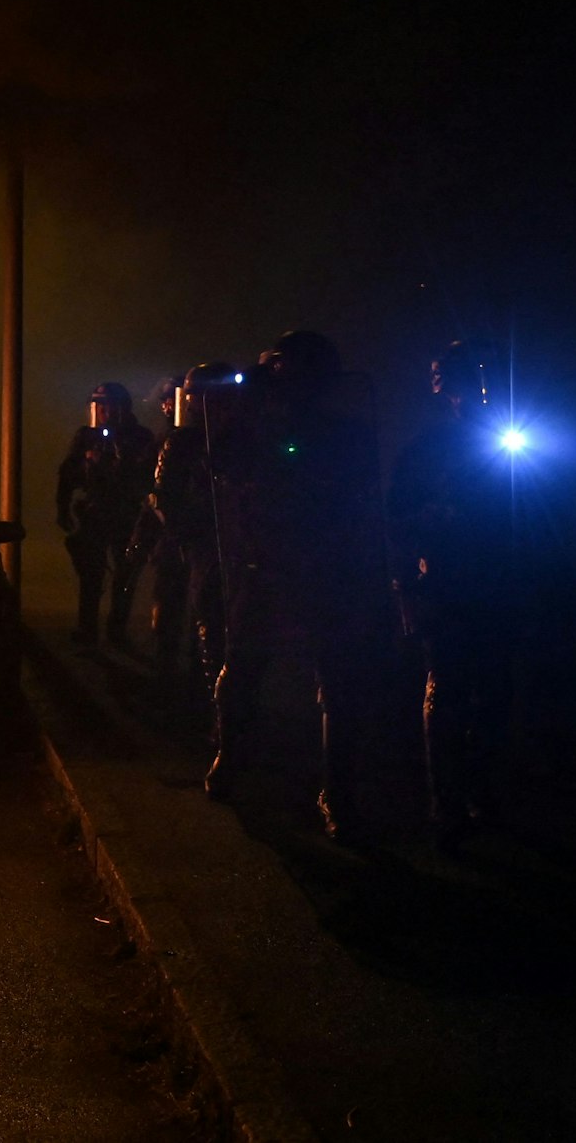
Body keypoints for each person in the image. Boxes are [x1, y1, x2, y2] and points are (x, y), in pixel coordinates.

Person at [204, 331, 391, 841]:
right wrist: (250, 401)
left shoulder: (343, 433)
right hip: (266, 567)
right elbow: (218, 461)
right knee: (243, 668)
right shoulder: (257, 430)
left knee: (335, 682)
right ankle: (233, 758)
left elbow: (359, 502)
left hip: (325, 569)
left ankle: (338, 791)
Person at [387, 338, 520, 846]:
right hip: (448, 582)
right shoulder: (429, 447)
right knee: (449, 690)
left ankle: (483, 796)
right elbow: (397, 513)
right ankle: (447, 802)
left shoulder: (507, 440)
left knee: (493, 692)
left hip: (499, 580)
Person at [143, 363, 234, 719]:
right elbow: (162, 496)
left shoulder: (237, 439)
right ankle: (171, 690)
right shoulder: (181, 441)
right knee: (178, 620)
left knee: (216, 630)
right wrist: (184, 537)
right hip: (188, 547)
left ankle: (207, 702)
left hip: (227, 548)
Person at [56, 381, 156, 647]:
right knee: (91, 576)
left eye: (108, 405)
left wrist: (119, 464)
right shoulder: (86, 436)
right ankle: (87, 630)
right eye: (98, 405)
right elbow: (67, 474)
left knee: (124, 576)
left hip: (126, 515)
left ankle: (117, 631)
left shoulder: (140, 438)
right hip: (95, 514)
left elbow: (145, 479)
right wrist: (63, 508)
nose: (103, 411)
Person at [128, 376, 189, 679]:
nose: (167, 406)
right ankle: (167, 669)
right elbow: (152, 496)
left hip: (201, 540)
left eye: (172, 399)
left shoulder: (207, 440)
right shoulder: (163, 440)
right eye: (164, 400)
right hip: (172, 541)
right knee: (167, 608)